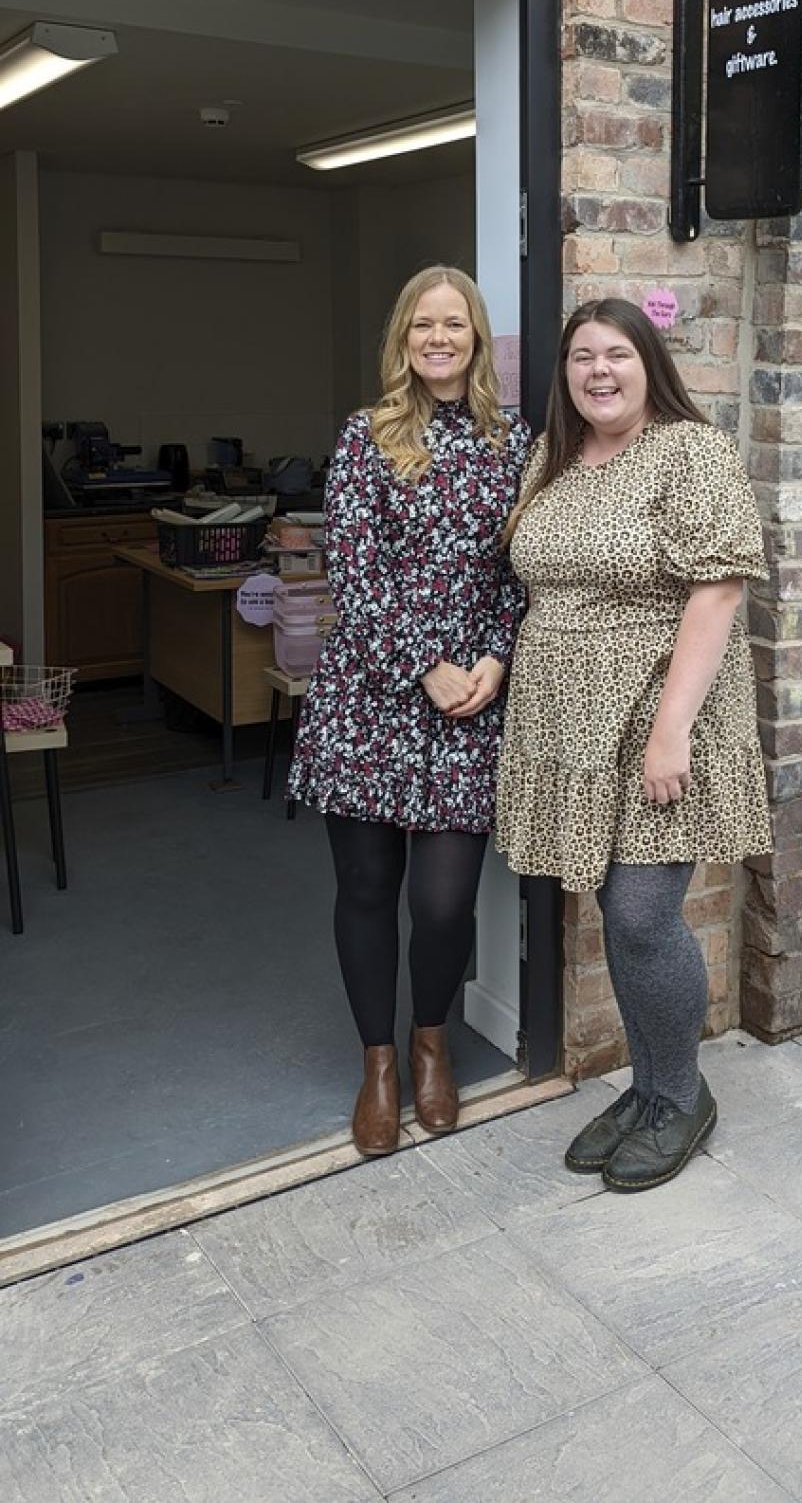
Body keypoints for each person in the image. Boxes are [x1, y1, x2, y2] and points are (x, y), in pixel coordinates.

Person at [497, 297, 771, 1191]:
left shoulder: (689, 451)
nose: (598, 371)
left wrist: (670, 732)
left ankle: (681, 1094)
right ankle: (652, 1089)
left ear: (650, 362)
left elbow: (719, 591)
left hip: (663, 715)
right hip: (573, 723)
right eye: (582, 356)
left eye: (617, 353)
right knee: (615, 906)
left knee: (643, 913)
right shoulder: (556, 457)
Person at [289, 265, 530, 1153]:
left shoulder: (513, 442)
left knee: (441, 901)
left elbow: (522, 567)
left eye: (454, 324)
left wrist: (496, 656)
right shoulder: (366, 435)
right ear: (403, 337)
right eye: (423, 324)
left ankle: (433, 1036)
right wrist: (423, 665)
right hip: (369, 698)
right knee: (365, 886)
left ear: (475, 338)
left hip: (470, 698)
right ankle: (382, 1062)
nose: (438, 338)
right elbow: (353, 567)